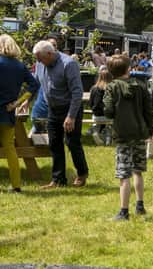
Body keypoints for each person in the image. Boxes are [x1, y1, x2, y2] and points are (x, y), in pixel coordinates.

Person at [103, 54, 153, 221]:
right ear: (128, 68)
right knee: (138, 171)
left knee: (124, 175)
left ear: (111, 71)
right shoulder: (141, 86)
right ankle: (140, 205)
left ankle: (123, 212)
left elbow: (108, 111)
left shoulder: (112, 87)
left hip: (123, 134)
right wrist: (150, 129)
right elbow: (148, 111)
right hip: (140, 132)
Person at [33, 40, 89, 188]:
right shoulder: (40, 64)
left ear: (50, 54)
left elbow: (77, 92)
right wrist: (26, 100)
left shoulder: (68, 64)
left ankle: (82, 174)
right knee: (54, 143)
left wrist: (71, 116)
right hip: (53, 109)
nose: (39, 62)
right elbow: (36, 82)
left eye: (41, 59)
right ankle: (58, 180)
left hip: (69, 108)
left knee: (72, 142)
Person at [0, 34, 39, 192]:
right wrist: (19, 102)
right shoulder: (19, 66)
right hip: (8, 112)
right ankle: (16, 185)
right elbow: (34, 85)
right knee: (10, 149)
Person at [88, 66, 113, 146]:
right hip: (108, 115)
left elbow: (90, 103)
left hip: (96, 115)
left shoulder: (93, 89)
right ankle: (108, 138)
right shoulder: (112, 88)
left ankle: (96, 131)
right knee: (110, 123)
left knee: (96, 119)